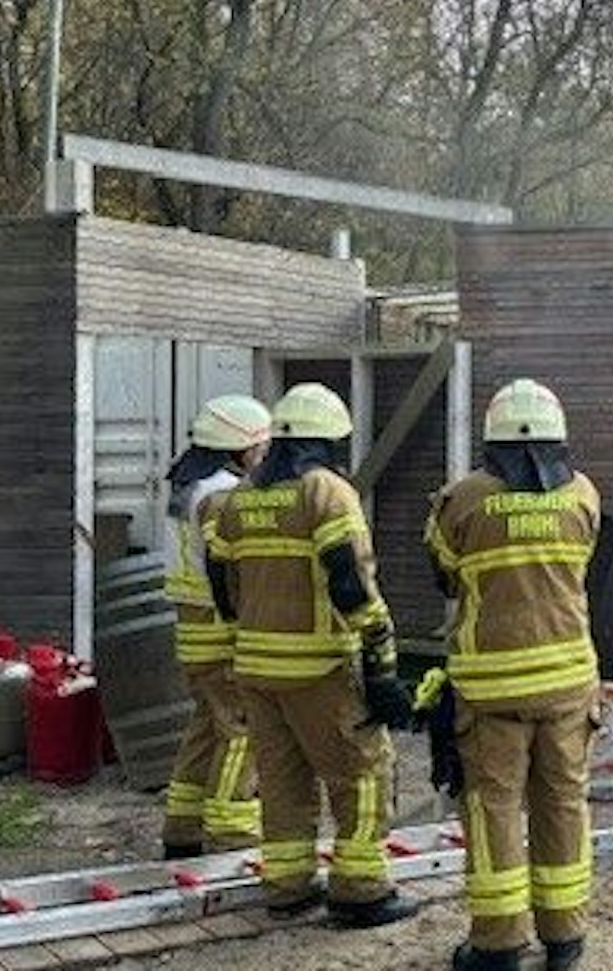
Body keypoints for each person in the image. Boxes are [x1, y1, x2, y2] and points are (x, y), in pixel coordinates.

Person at [205, 382, 416, 927]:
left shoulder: (241, 498)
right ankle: (362, 890)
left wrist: (243, 630)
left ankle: (288, 886)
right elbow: (350, 581)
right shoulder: (326, 493)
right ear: (327, 442)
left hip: (256, 668)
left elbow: (220, 577)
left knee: (282, 780)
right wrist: (380, 656)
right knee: (363, 774)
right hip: (320, 667)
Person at [425, 380, 601, 971]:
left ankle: (498, 945)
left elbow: (444, 577)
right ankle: (565, 940)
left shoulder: (460, 500)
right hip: (569, 683)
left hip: (492, 687)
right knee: (564, 802)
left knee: (494, 807)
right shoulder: (583, 496)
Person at [160, 394, 270, 860]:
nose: (264, 456)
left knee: (206, 726)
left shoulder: (188, 485)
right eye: (261, 446)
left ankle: (182, 828)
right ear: (240, 447)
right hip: (221, 626)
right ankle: (232, 835)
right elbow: (231, 570)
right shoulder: (224, 494)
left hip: (191, 625)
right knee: (241, 729)